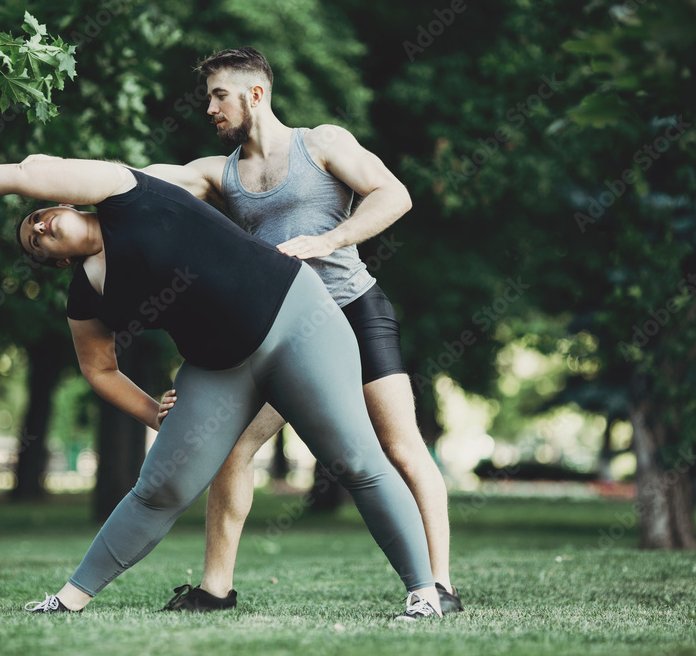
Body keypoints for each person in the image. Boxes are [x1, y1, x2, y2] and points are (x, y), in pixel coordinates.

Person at [0, 155, 443, 620]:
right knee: (160, 489)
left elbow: (20, 176)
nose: (40, 228)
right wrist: (153, 412)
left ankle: (425, 595)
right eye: (34, 243)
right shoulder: (86, 296)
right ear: (49, 263)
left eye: (39, 218)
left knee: (357, 460)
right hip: (219, 369)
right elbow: (98, 370)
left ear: (64, 202)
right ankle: (68, 601)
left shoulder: (121, 189)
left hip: (297, 319)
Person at [145, 47, 461, 614]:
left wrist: (330, 240)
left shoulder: (323, 143)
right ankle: (216, 590)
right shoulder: (220, 173)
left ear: (255, 94)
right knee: (233, 450)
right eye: (209, 97)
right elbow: (141, 181)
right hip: (285, 331)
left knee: (399, 446)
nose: (210, 109)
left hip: (354, 308)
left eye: (219, 95)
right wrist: (61, 182)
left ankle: (439, 586)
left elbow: (395, 195)